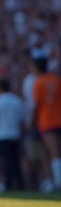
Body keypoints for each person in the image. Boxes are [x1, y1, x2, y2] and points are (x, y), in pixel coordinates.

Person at [0, 78, 27, 192]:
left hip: (2, 135)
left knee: (6, 161)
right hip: (15, 135)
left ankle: (8, 184)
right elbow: (22, 121)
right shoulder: (17, 101)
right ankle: (20, 184)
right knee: (16, 161)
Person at [31, 58, 61, 192]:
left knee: (52, 153)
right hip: (58, 119)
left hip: (47, 121)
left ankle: (57, 181)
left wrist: (32, 122)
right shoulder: (57, 80)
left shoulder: (39, 83)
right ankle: (52, 180)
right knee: (55, 152)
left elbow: (37, 105)